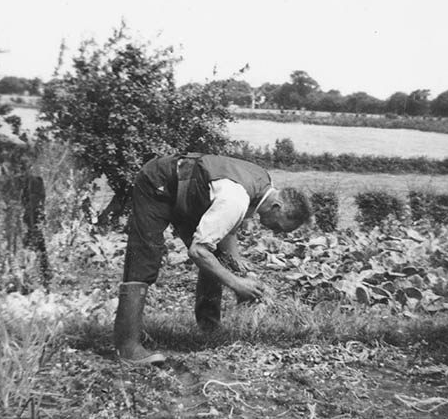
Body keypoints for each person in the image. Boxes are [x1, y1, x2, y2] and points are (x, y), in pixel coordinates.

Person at [113, 153, 311, 365]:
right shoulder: (236, 198)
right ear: (276, 207)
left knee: (219, 259)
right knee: (145, 258)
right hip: (158, 184)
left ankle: (209, 328)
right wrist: (237, 284)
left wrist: (239, 268)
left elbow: (229, 228)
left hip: (189, 194)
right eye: (279, 227)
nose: (276, 232)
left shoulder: (264, 184)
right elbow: (198, 252)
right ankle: (127, 346)